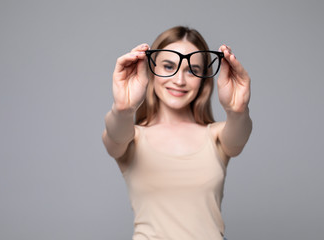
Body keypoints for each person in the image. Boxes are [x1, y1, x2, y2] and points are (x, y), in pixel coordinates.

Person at [102, 26, 252, 240]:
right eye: (168, 66)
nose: (179, 80)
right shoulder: (132, 137)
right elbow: (114, 135)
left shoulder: (215, 135)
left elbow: (239, 135)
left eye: (192, 70)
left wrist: (237, 111)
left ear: (203, 80)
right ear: (151, 69)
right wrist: (123, 108)